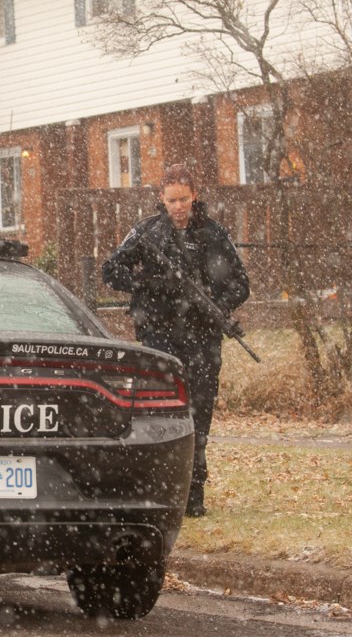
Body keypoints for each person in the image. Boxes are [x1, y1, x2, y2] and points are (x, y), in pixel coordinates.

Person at [101, 163, 250, 518]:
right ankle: (159, 491)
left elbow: (241, 284)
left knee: (199, 414)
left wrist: (215, 306)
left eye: (183, 199)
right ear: (161, 199)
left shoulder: (214, 234)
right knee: (160, 415)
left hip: (202, 339)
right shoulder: (146, 233)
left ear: (193, 195)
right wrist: (148, 284)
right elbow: (111, 270)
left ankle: (193, 491)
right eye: (172, 200)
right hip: (158, 336)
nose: (178, 206)